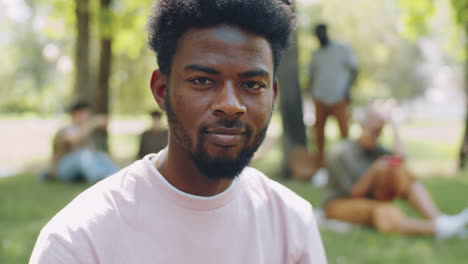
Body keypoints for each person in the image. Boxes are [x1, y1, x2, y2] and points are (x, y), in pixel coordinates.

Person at [30, 1, 327, 263]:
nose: (230, 105)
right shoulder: (78, 241)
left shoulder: (292, 222)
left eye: (252, 85)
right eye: (202, 81)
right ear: (161, 90)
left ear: (273, 94)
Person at [324, 101, 468, 238]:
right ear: (362, 126)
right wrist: (374, 171)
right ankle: (438, 229)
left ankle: (439, 219)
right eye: (373, 130)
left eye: (380, 131)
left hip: (370, 199)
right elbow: (351, 194)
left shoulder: (376, 150)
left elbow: (401, 158)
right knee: (383, 211)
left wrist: (394, 124)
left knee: (398, 169)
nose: (376, 136)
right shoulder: (340, 153)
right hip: (340, 204)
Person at [308, 24, 358, 167]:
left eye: (321, 33)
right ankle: (320, 165)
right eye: (317, 34)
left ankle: (346, 163)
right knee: (318, 134)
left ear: (326, 32)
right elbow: (311, 77)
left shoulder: (342, 49)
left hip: (339, 97)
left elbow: (354, 70)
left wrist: (347, 91)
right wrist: (312, 94)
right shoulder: (316, 54)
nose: (320, 36)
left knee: (344, 133)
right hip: (320, 98)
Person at [48, 101, 118, 182]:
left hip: (78, 172)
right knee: (82, 154)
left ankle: (116, 176)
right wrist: (94, 123)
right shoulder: (66, 129)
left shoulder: (86, 131)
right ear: (76, 114)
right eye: (85, 114)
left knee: (100, 155)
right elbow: (73, 139)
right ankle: (100, 178)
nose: (88, 117)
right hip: (62, 170)